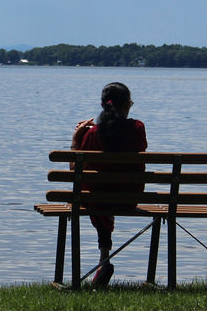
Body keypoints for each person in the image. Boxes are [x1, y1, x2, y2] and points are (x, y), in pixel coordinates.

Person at [70, 82, 147, 288]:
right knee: (101, 192)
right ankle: (103, 262)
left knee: (95, 193)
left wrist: (76, 139)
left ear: (103, 105)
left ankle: (104, 259)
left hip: (98, 202)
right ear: (127, 105)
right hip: (129, 200)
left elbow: (74, 171)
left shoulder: (92, 134)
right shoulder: (138, 129)